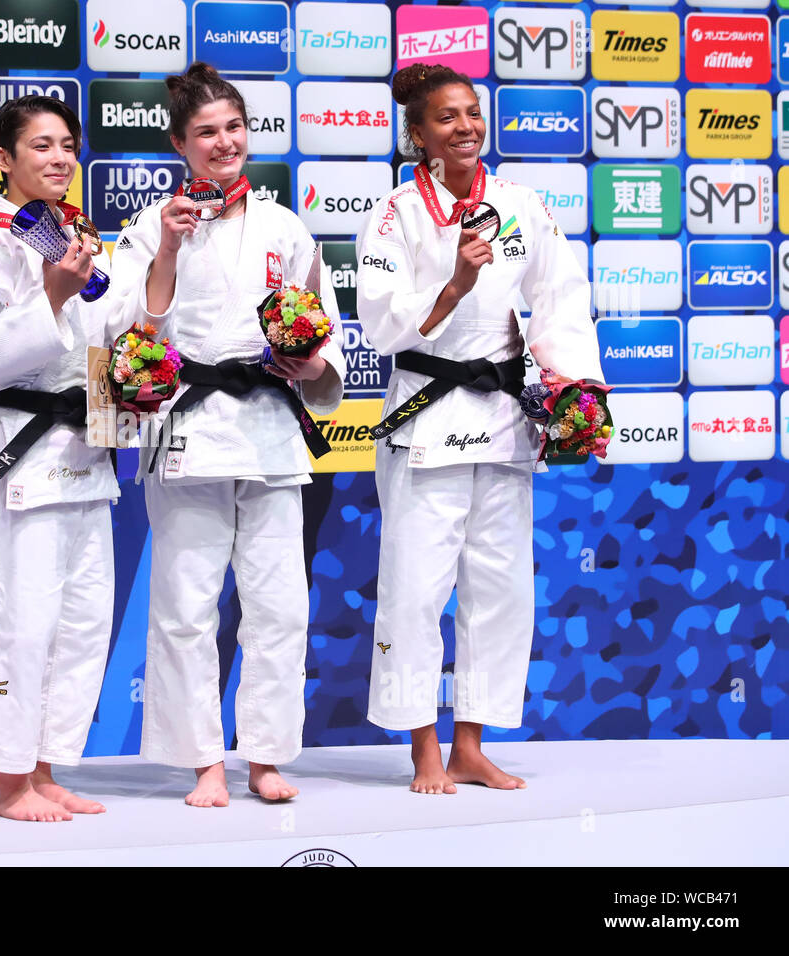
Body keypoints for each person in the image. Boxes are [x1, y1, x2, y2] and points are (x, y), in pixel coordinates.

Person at [355, 64, 603, 794]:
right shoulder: (394, 213)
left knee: (498, 587)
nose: (464, 126)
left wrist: (577, 394)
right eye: (445, 117)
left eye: (471, 113)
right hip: (426, 410)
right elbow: (378, 320)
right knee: (415, 586)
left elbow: (560, 299)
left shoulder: (521, 204)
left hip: (500, 414)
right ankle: (421, 748)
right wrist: (454, 283)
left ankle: (471, 741)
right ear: (418, 134)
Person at [110, 63, 345, 808]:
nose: (224, 142)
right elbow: (127, 337)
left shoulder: (285, 226)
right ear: (179, 143)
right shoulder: (148, 225)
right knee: (186, 602)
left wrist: (312, 361)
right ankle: (202, 760)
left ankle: (266, 756)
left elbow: (323, 328)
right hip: (187, 426)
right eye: (207, 132)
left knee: (280, 604)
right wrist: (169, 252)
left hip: (269, 424)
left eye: (234, 128)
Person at [0, 96, 123, 822]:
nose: (58, 158)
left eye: (67, 145)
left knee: (82, 619)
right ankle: (9, 780)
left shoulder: (82, 237)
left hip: (84, 446)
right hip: (17, 446)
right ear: (3, 160)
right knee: (24, 618)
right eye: (40, 146)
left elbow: (102, 347)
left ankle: (45, 768)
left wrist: (121, 411)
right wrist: (50, 292)